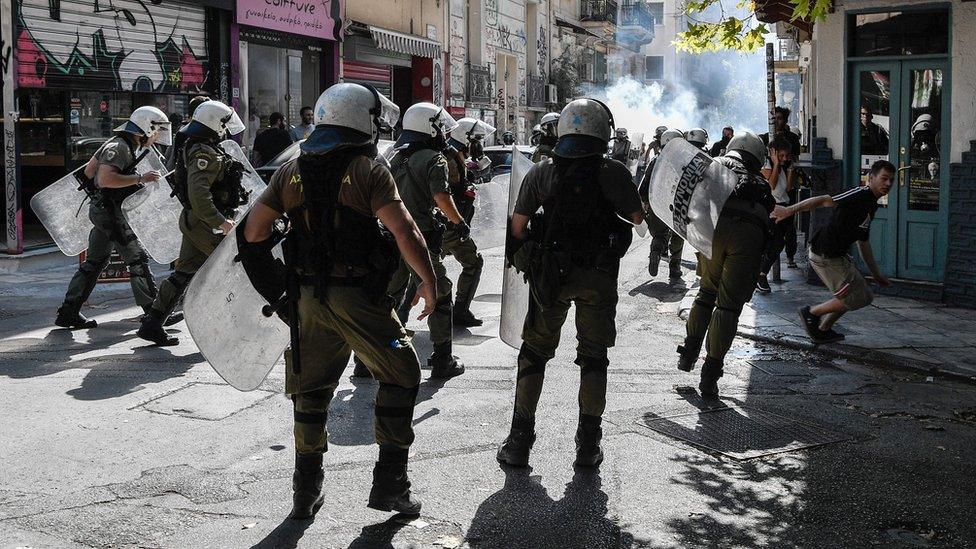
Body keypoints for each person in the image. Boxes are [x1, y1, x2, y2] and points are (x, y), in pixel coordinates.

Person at [238, 83, 432, 520]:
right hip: (359, 299)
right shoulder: (369, 169)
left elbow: (252, 233)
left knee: (310, 391)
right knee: (403, 374)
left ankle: (305, 491)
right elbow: (405, 232)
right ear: (362, 120)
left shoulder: (290, 171)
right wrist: (429, 280)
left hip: (307, 298)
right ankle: (391, 485)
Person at [496, 98, 645, 469]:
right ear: (603, 133)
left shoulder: (541, 173)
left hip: (551, 277)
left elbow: (516, 231)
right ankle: (588, 446)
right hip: (597, 278)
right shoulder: (614, 173)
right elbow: (638, 218)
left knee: (534, 354)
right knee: (594, 359)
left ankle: (519, 442)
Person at [137, 101, 249, 345]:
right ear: (213, 124)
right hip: (206, 223)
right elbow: (199, 195)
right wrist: (221, 222)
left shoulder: (198, 147)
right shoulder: (203, 153)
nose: (226, 129)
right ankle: (218, 331)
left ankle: (153, 323)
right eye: (223, 124)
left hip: (196, 221)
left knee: (184, 272)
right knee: (231, 272)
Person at [676, 132, 775, 397]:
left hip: (714, 231)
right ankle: (710, 375)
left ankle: (688, 353)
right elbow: (769, 217)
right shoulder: (760, 182)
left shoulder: (714, 165)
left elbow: (690, 200)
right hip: (749, 237)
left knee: (706, 293)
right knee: (728, 307)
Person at [54, 106, 169, 329]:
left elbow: (89, 172)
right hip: (110, 213)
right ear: (146, 127)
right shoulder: (120, 147)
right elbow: (104, 179)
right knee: (137, 259)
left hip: (104, 210)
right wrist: (139, 178)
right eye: (156, 130)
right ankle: (154, 315)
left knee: (95, 261)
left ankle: (68, 312)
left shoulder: (118, 144)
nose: (157, 136)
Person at [386, 102, 468, 379]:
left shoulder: (396, 159)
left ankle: (369, 359)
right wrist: (459, 221)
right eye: (440, 126)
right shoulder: (435, 159)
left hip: (390, 236)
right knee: (440, 291)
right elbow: (441, 198)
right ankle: (443, 359)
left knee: (389, 296)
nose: (443, 131)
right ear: (429, 127)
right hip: (417, 239)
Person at [771, 160, 894, 343]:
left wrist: (875, 274)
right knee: (856, 297)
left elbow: (863, 241)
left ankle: (822, 329)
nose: (888, 184)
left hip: (837, 256)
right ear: (871, 178)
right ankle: (811, 312)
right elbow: (822, 200)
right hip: (825, 255)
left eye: (891, 180)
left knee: (861, 294)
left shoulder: (871, 204)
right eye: (884, 179)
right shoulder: (859, 194)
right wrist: (789, 210)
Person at [443, 117, 495, 327]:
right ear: (465, 138)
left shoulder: (458, 156)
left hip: (451, 225)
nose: (480, 144)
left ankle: (461, 311)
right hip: (450, 226)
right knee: (472, 262)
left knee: (419, 271)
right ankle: (460, 311)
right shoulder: (450, 159)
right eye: (477, 139)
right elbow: (445, 194)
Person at [638, 128, 686, 280]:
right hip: (679, 205)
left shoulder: (655, 161)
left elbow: (644, 185)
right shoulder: (686, 162)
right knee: (678, 235)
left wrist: (645, 201)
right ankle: (674, 268)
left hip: (657, 203)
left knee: (659, 234)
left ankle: (655, 251)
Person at [756, 136, 795, 293]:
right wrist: (776, 163)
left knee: (781, 242)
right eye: (781, 155)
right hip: (773, 208)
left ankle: (760, 273)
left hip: (785, 207)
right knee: (776, 243)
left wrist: (790, 168)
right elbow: (771, 185)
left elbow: (788, 188)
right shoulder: (767, 164)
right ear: (774, 153)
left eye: (786, 156)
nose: (784, 158)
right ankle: (761, 275)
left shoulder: (785, 166)